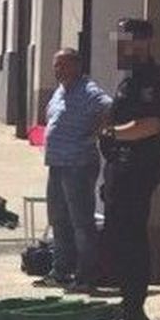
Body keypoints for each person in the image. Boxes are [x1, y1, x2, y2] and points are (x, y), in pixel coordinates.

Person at [99, 19, 160, 320]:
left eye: (127, 40)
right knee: (119, 238)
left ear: (144, 41)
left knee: (131, 241)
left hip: (137, 169)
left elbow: (151, 125)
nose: (121, 47)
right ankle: (128, 308)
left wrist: (111, 132)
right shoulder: (129, 79)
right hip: (121, 168)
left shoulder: (150, 79)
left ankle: (135, 315)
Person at [37, 48, 112, 293]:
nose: (58, 70)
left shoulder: (88, 90)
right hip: (57, 165)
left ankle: (86, 277)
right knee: (59, 220)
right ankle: (61, 272)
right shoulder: (60, 92)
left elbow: (109, 107)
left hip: (78, 165)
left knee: (81, 222)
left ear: (77, 66)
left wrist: (94, 132)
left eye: (63, 65)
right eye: (56, 65)